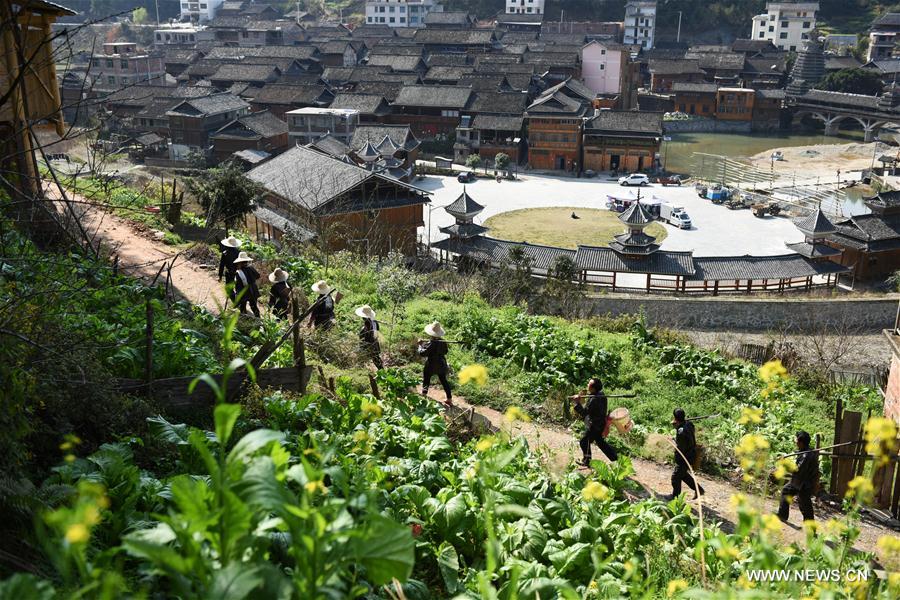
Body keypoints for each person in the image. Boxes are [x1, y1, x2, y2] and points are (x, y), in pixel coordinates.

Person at [572, 378, 618, 467]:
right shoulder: (601, 395)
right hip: (600, 424)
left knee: (584, 441)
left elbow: (584, 413)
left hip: (594, 426)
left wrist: (577, 403)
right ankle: (616, 459)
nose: (587, 385)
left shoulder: (594, 399)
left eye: (589, 384)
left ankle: (587, 460)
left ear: (593, 388)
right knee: (600, 443)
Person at [778, 430, 819, 523]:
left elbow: (798, 470)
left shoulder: (806, 455)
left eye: (797, 440)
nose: (795, 442)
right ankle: (782, 515)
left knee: (805, 504)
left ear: (801, 442)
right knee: (786, 491)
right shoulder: (804, 451)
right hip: (798, 481)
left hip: (804, 484)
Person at [669, 408, 705, 500]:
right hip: (691, 454)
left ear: (675, 418)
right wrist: (677, 425)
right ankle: (699, 490)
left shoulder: (681, 432)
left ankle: (675, 498)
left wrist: (672, 440)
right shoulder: (689, 424)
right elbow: (685, 431)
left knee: (675, 478)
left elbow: (680, 448)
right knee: (683, 475)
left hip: (684, 458)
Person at [419, 321, 451, 405]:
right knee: (444, 381)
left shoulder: (431, 343)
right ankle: (449, 399)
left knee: (426, 378)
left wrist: (420, 345)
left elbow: (422, 353)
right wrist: (425, 344)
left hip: (431, 364)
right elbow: (445, 351)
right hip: (441, 364)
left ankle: (424, 395)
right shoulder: (443, 342)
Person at [232, 252, 260, 317]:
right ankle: (258, 319)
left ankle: (244, 320)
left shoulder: (238, 272)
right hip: (253, 289)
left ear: (239, 262)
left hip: (244, 291)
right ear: (247, 261)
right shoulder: (251, 268)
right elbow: (258, 276)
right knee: (254, 306)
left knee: (242, 307)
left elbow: (237, 285)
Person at [356, 304, 383, 369]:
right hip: (375, 345)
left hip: (369, 346)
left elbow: (366, 337)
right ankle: (382, 371)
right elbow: (376, 335)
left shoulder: (367, 325)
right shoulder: (375, 323)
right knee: (377, 360)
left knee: (371, 360)